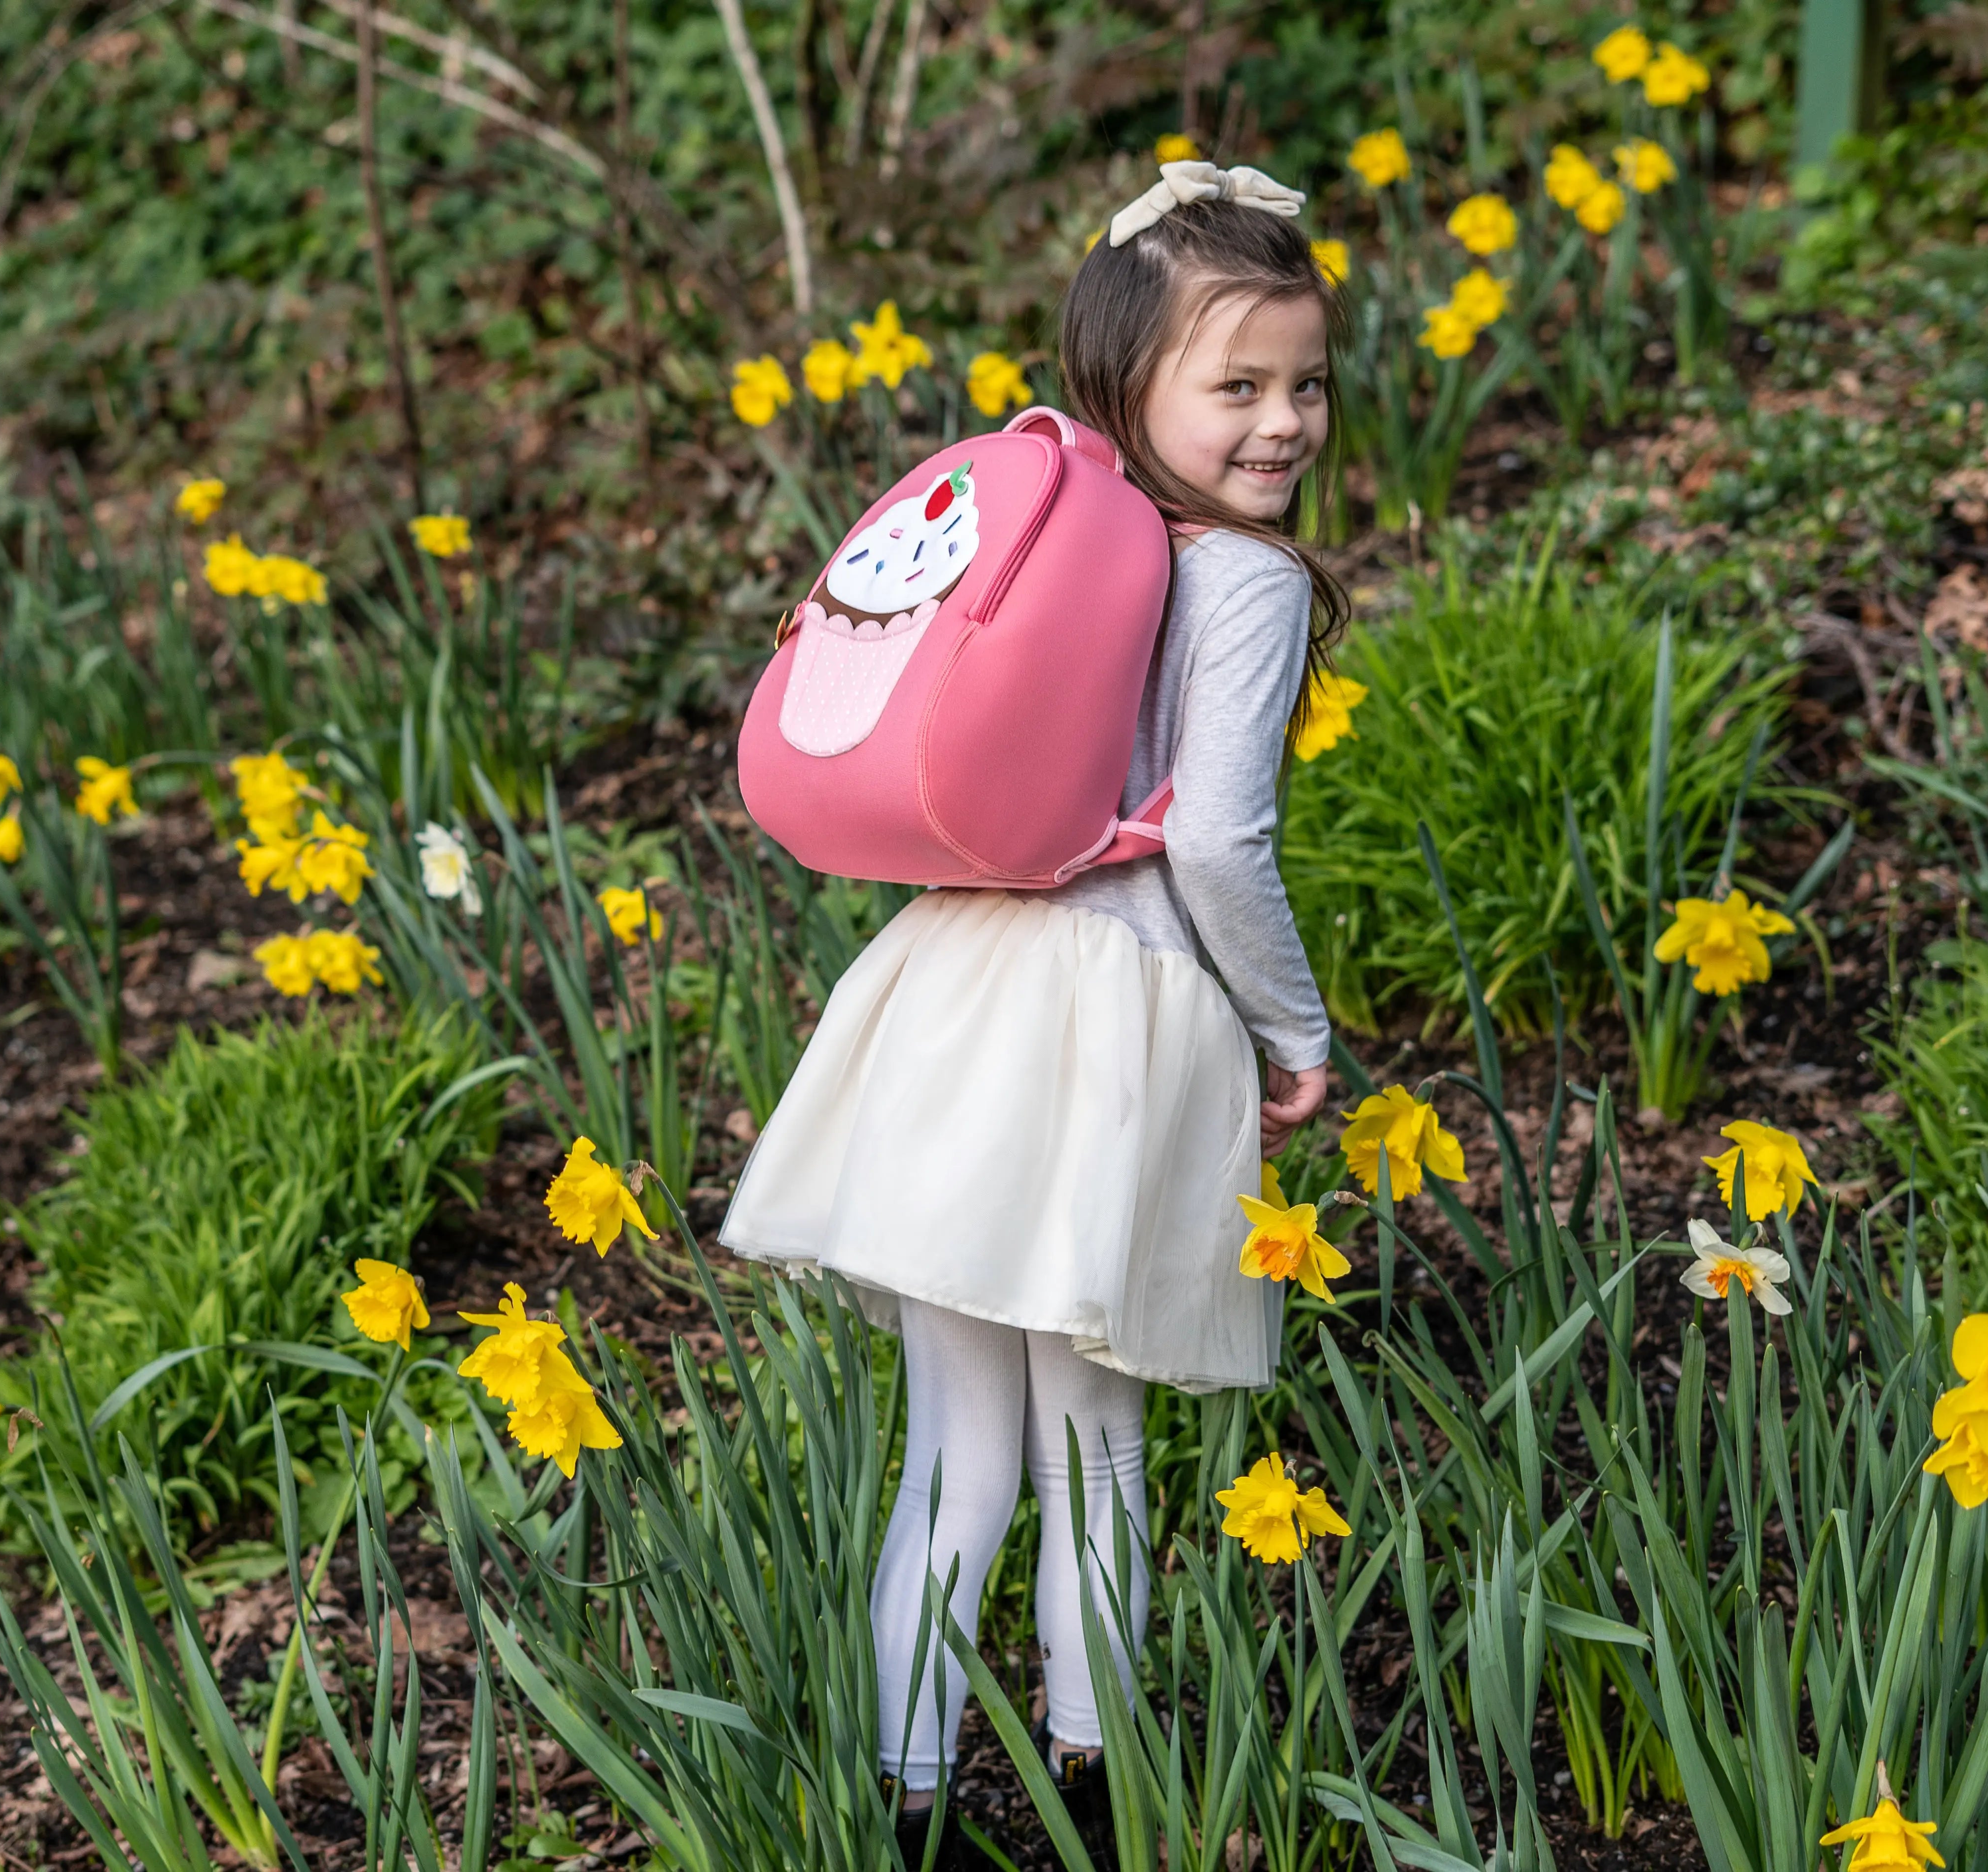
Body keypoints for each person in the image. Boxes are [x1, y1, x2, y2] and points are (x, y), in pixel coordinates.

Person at [720, 158, 1347, 1860]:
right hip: (1110, 1024)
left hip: (956, 984)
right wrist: (1300, 1037)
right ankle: (1098, 1799)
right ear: (1129, 389)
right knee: (1100, 1464)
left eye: (1305, 382)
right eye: (1239, 386)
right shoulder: (1251, 583)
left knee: (953, 1462)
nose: (1283, 421)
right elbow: (1217, 840)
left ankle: (904, 1802)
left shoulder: (1073, 536)